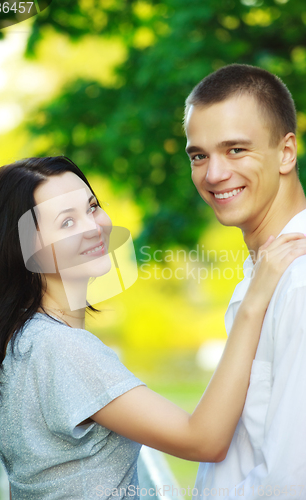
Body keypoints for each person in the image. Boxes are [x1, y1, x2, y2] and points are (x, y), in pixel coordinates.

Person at [0, 157, 306, 500]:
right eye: (68, 221)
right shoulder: (61, 350)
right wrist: (254, 299)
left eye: (92, 207)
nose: (93, 227)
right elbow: (203, 439)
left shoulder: (17, 346)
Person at [184, 64, 306, 498]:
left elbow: (291, 481)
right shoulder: (264, 272)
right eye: (198, 155)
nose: (213, 174)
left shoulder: (299, 282)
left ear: (286, 152)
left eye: (235, 149)